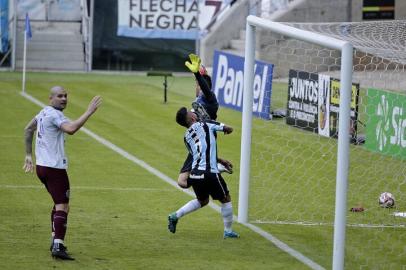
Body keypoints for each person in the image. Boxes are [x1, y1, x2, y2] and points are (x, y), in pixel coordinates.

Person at [23, 86, 102, 260]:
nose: (64, 99)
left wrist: (29, 156)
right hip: (54, 168)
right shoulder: (54, 115)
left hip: (42, 167)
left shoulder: (44, 112)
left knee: (60, 204)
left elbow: (28, 129)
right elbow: (71, 129)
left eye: (66, 96)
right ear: (50, 98)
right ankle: (58, 246)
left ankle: (54, 239)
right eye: (60, 96)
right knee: (62, 206)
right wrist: (89, 112)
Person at [168, 107, 240, 239]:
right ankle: (228, 231)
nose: (194, 113)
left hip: (195, 173)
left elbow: (197, 153)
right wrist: (223, 128)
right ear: (192, 118)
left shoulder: (186, 137)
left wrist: (220, 159)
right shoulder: (207, 123)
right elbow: (229, 128)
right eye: (192, 113)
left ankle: (175, 215)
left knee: (203, 200)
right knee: (226, 199)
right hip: (209, 172)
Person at [177, 54, 233, 189]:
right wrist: (200, 73)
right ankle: (214, 167)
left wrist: (198, 74)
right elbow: (200, 84)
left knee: (184, 181)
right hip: (196, 138)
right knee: (182, 181)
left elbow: (204, 85)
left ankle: (214, 169)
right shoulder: (198, 99)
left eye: (198, 85)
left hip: (205, 135)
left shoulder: (210, 98)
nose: (196, 87)